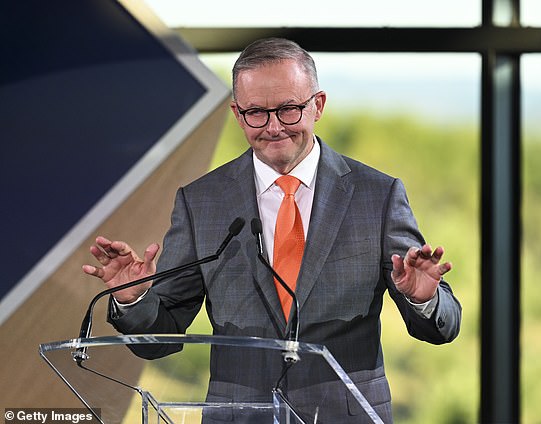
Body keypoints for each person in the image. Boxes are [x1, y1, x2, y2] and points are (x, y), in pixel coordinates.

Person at [83, 37, 461, 423]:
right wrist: (133, 299)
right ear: (237, 112)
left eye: (289, 109)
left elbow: (442, 328)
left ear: (318, 105)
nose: (273, 127)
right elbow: (159, 339)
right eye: (256, 113)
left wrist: (423, 299)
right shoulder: (203, 202)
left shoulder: (376, 196)